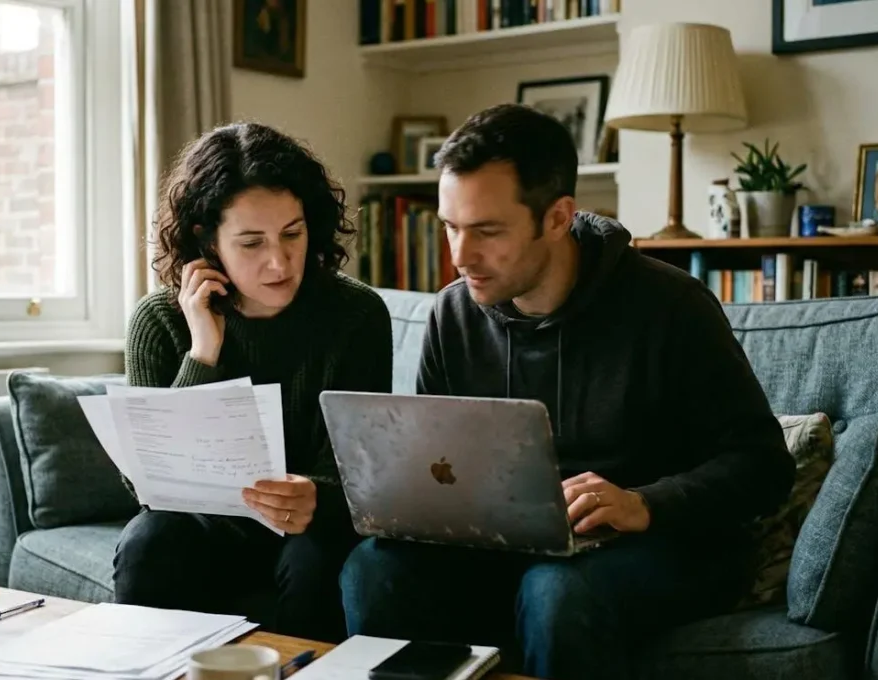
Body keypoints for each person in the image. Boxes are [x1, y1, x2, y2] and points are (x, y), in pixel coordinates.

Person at [339, 104, 796, 679]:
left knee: (556, 592)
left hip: (665, 543)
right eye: (450, 226)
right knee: (372, 568)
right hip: (510, 543)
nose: (460, 256)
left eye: (487, 230)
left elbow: (763, 466)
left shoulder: (671, 308)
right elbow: (438, 465)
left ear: (557, 217)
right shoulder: (453, 315)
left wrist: (644, 503)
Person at [114, 121, 393, 643]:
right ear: (208, 242)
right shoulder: (160, 321)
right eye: (251, 243)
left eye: (293, 233)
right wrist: (203, 352)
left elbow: (366, 468)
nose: (280, 262)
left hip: (312, 529)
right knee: (149, 541)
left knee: (313, 560)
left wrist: (318, 495)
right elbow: (148, 488)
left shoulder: (357, 315)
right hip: (207, 528)